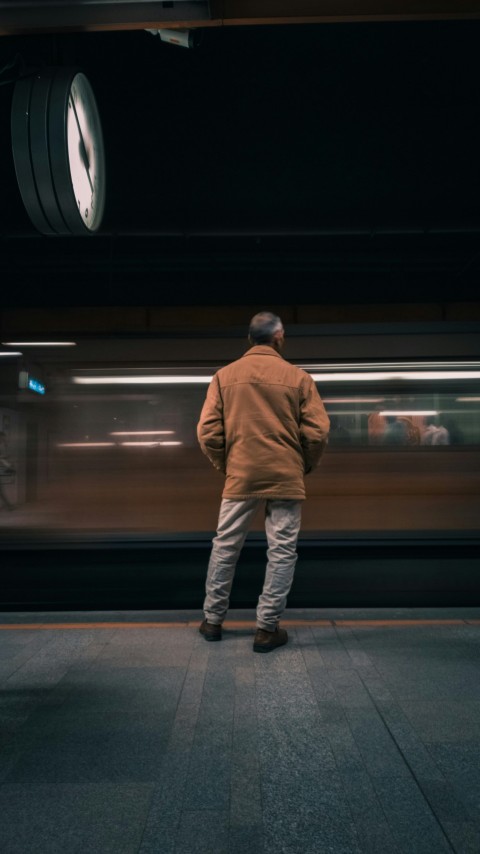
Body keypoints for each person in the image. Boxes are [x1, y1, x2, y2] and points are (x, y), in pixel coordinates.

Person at [196, 311, 330, 653]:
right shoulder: (299, 378)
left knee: (225, 546)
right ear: (279, 336)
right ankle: (266, 628)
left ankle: (213, 621)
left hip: (241, 475)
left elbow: (208, 431)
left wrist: (227, 464)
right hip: (285, 475)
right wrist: (303, 466)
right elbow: (317, 432)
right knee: (282, 550)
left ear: (249, 338)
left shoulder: (223, 377)